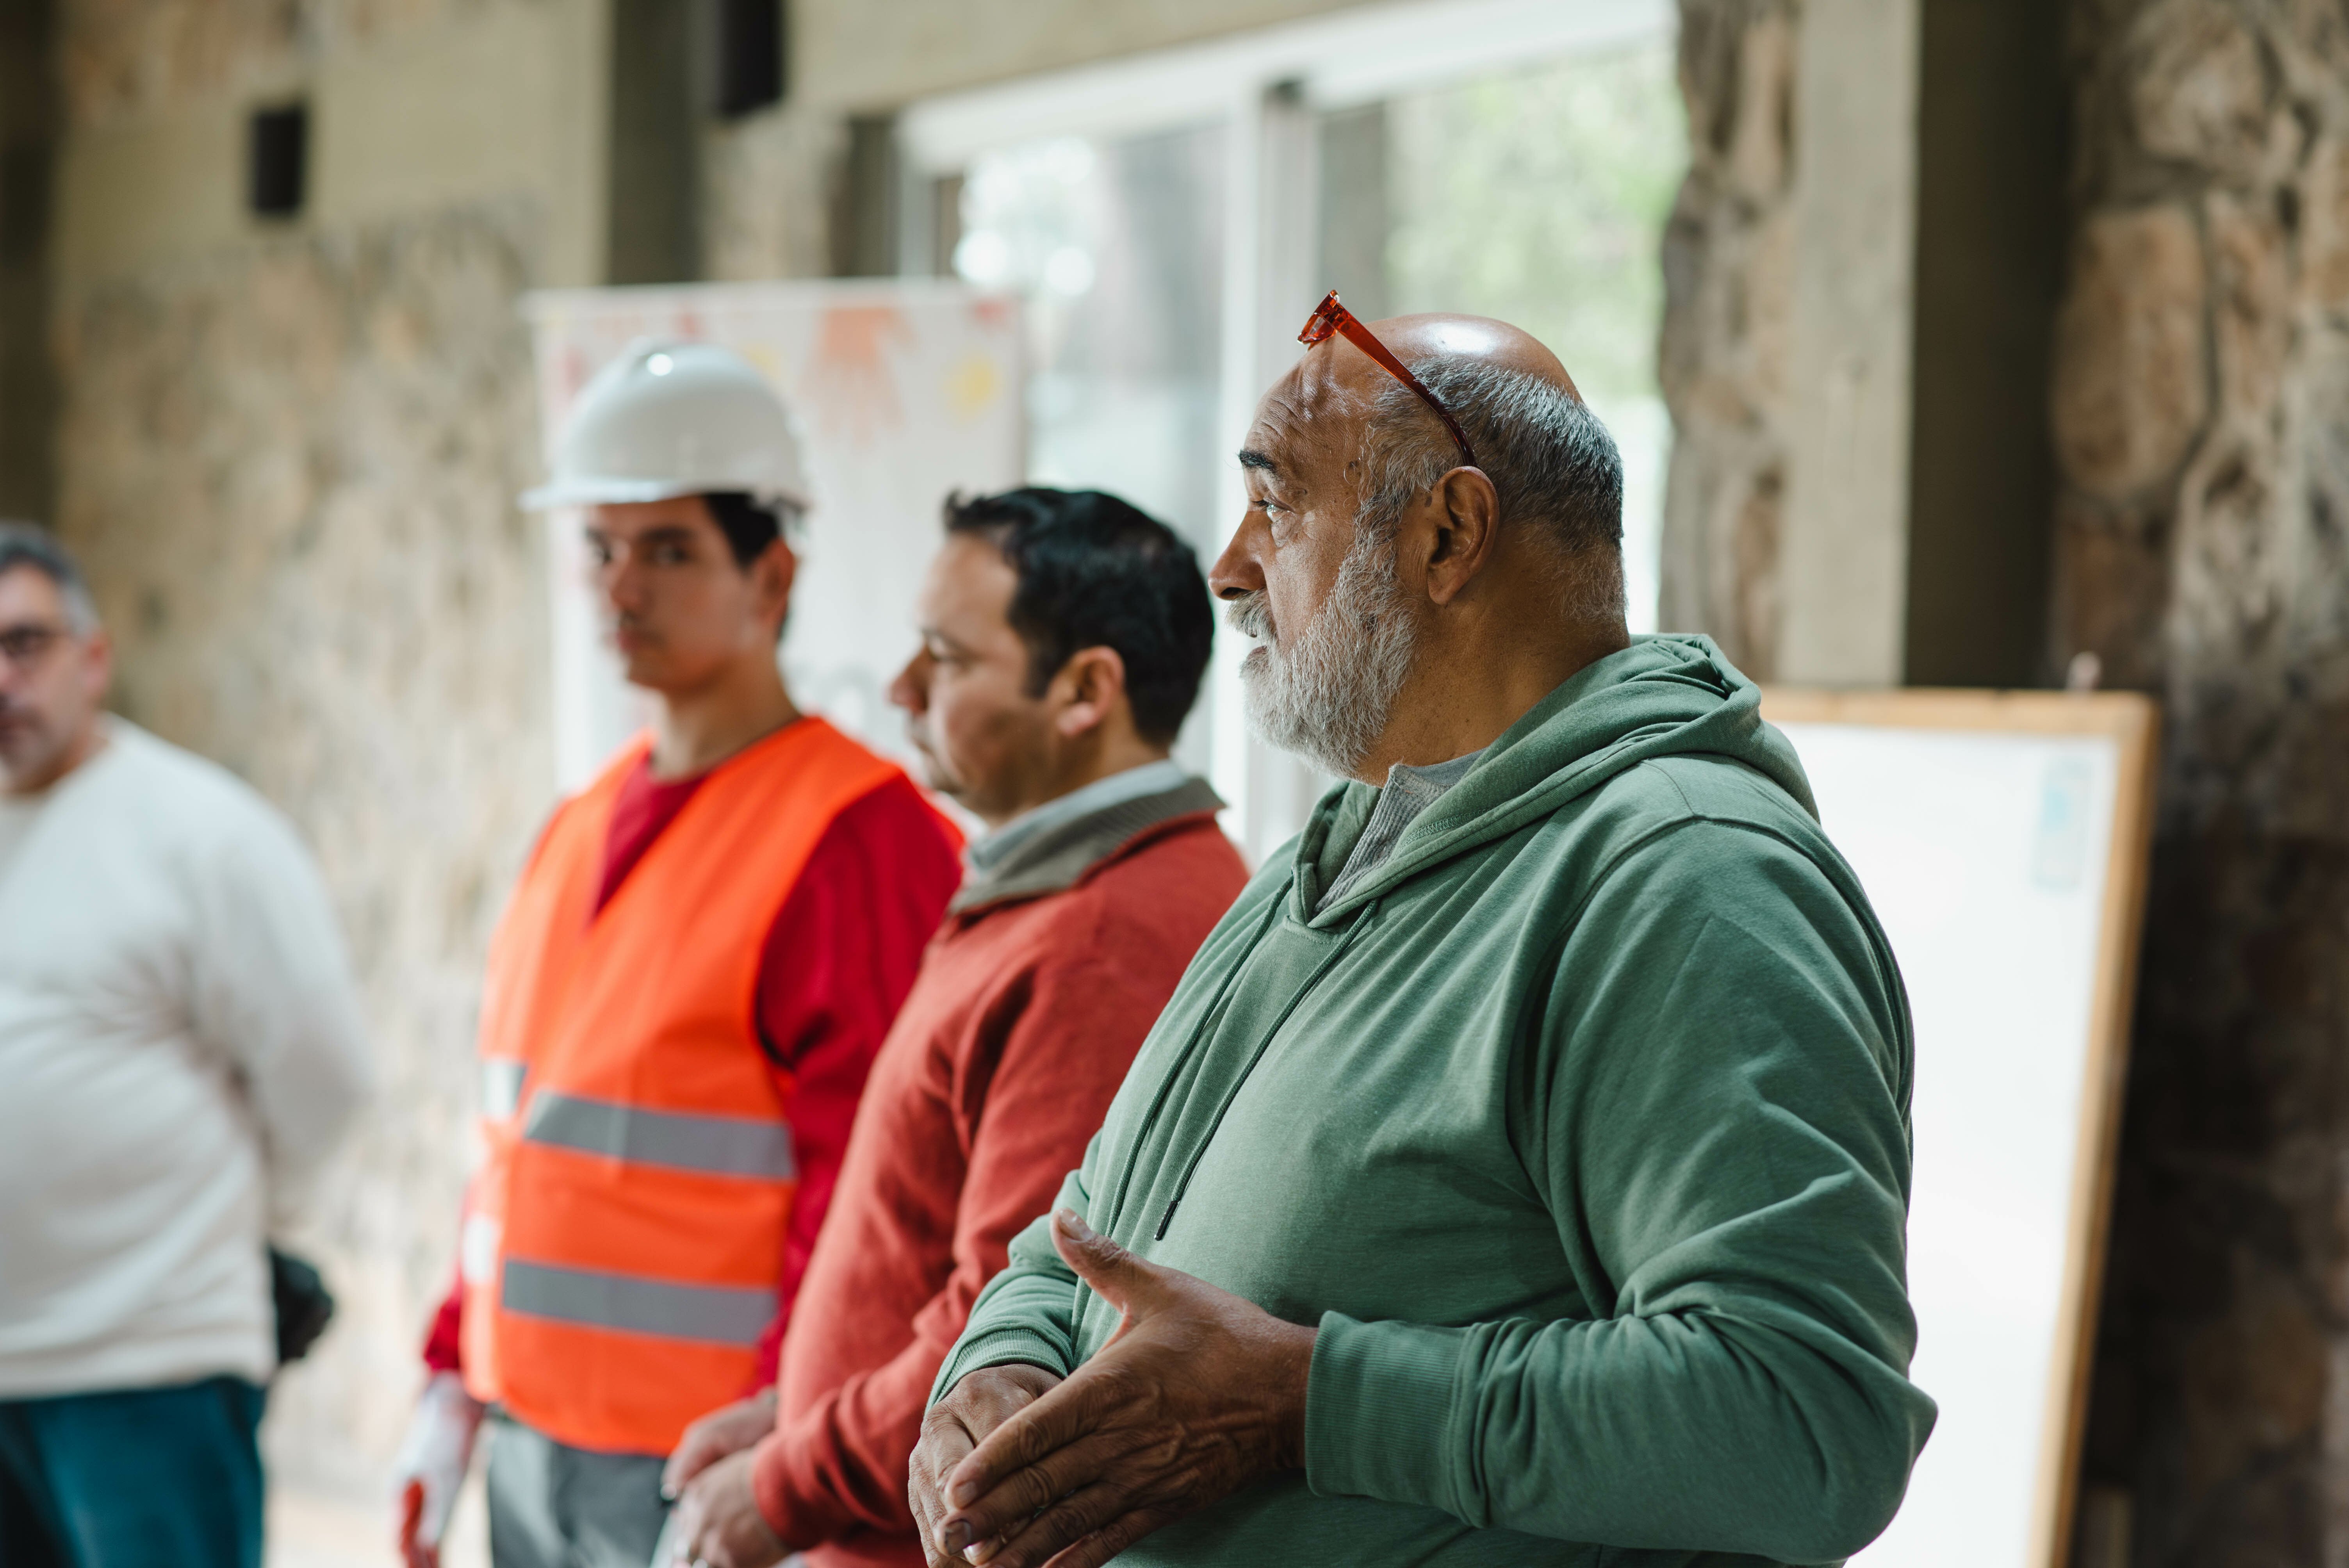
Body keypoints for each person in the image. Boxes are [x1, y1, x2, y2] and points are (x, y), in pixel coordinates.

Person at [906, 299, 1938, 1568]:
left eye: (1275, 505)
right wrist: (998, 1368)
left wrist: (1304, 1404)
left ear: (1449, 535)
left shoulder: (1688, 878)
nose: (1230, 569)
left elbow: (1804, 1424)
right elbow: (1087, 1226)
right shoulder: (1333, 851)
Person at [390, 340, 963, 1568]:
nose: (620, 588)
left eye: (667, 551)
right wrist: (451, 1374)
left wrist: (787, 1453)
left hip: (706, 1460)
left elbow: (876, 1205)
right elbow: (518, 1147)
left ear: (773, 575)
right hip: (529, 1437)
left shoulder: (858, 838)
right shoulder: (581, 820)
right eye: (600, 548)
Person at [658, 488, 1248, 1568]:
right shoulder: (1062, 893)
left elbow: (1009, 1321)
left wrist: (789, 1484)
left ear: (1086, 692)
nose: (902, 688)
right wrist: (793, 1416)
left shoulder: (1101, 940)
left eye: (948, 658)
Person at [0, 523, 372, 1568]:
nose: (2, 680)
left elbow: (325, 1081)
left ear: (94, 657)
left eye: (25, 644)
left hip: (148, 1370)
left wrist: (218, 1229)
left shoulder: (202, 835)